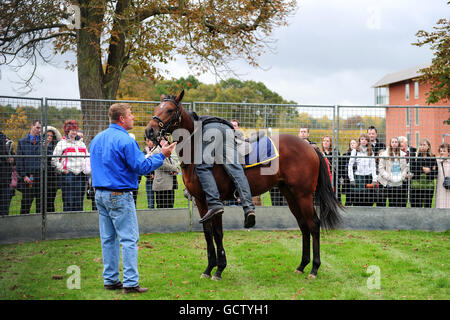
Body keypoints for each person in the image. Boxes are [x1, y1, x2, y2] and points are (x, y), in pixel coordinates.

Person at [90, 102, 176, 294]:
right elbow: (142, 167)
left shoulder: (97, 139)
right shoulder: (126, 140)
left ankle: (110, 279)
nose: (133, 118)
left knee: (108, 238)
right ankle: (130, 282)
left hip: (100, 194)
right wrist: (162, 154)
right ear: (121, 119)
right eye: (130, 115)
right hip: (118, 195)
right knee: (129, 239)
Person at [193, 114, 256, 228]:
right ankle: (249, 208)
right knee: (237, 170)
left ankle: (215, 204)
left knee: (202, 166)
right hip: (228, 129)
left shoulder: (196, 119)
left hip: (210, 128)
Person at [52, 120, 89, 212]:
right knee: (68, 201)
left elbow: (87, 158)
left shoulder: (81, 143)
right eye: (71, 130)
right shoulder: (62, 143)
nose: (74, 132)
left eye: (75, 129)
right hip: (68, 175)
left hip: (81, 176)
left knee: (79, 201)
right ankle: (68, 224)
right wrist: (63, 170)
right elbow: (54, 160)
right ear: (67, 131)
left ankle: (78, 223)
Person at [16, 120, 42, 214]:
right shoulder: (22, 142)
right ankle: (23, 224)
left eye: (40, 128)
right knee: (26, 203)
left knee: (41, 204)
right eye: (37, 127)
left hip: (41, 178)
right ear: (31, 126)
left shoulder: (43, 142)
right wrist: (24, 176)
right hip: (28, 177)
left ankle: (41, 225)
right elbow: (19, 161)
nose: (39, 130)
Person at [348, 133, 377, 206]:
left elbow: (373, 166)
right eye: (362, 139)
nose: (364, 141)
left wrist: (374, 179)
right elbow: (350, 165)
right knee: (357, 198)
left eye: (366, 139)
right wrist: (351, 179)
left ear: (368, 141)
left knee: (368, 199)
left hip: (368, 177)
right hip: (358, 177)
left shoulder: (371, 151)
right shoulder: (355, 151)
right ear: (359, 140)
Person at [377, 137, 408, 207]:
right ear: (390, 144)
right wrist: (388, 177)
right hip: (388, 182)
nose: (394, 144)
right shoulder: (384, 154)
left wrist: (402, 177)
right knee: (390, 202)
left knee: (397, 201)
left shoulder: (402, 155)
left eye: (396, 142)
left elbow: (404, 168)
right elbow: (381, 168)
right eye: (392, 142)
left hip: (398, 181)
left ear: (398, 144)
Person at [151, 142, 180, 208]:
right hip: (162, 184)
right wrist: (174, 168)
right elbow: (161, 164)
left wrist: (175, 169)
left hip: (171, 184)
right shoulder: (155, 151)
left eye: (166, 137)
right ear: (158, 139)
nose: (166, 140)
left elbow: (175, 161)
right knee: (161, 207)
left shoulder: (169, 150)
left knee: (170, 206)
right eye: (163, 138)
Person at [410, 138, 437, 208]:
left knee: (428, 206)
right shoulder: (415, 156)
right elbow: (412, 169)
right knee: (416, 206)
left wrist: (430, 170)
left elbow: (435, 172)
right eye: (421, 145)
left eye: (424, 145)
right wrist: (424, 168)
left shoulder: (433, 157)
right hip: (416, 186)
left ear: (428, 146)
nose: (422, 146)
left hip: (428, 186)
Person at [45, 126, 62, 213]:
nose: (49, 137)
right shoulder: (40, 145)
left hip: (53, 177)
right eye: (48, 135)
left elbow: (60, 138)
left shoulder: (55, 146)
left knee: (51, 200)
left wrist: (55, 130)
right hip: (43, 176)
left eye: (51, 136)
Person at [341, 139, 358, 206]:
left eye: (354, 143)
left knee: (356, 195)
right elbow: (342, 167)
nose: (352, 144)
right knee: (348, 196)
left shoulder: (359, 154)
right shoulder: (345, 155)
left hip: (356, 176)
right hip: (347, 178)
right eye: (351, 143)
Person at [0, 130, 13, 215]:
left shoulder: (4, 138)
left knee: (5, 209)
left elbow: (12, 156)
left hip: (5, 180)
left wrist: (12, 158)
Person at [436, 143, 450, 208]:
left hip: (449, 187)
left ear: (449, 153)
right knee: (440, 203)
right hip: (440, 187)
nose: (442, 153)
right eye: (441, 151)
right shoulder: (437, 161)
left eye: (444, 151)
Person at [143, 138, 155, 209]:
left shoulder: (157, 150)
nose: (150, 143)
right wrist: (149, 175)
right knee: (150, 201)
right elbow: (143, 165)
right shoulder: (144, 152)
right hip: (149, 179)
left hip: (158, 179)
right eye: (148, 141)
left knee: (160, 200)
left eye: (151, 141)